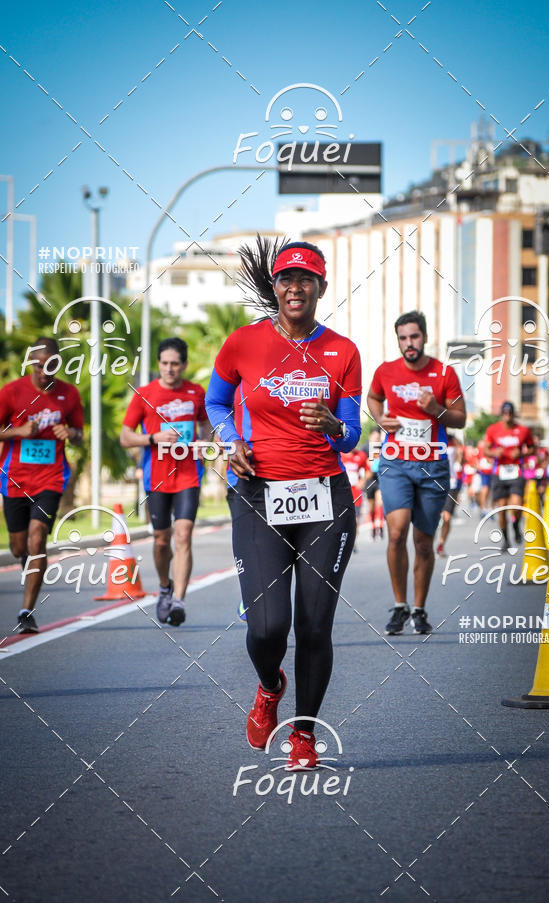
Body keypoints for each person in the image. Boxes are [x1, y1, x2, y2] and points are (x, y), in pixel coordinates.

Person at [205, 237, 361, 770]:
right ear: (275, 288)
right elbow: (216, 401)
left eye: (306, 279)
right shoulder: (242, 344)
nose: (296, 287)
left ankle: (302, 733)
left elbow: (353, 434)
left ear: (321, 287)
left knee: (314, 626)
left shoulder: (343, 351)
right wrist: (230, 439)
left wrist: (337, 427)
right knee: (267, 628)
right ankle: (270, 688)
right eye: (286, 279)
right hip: (257, 495)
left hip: (325, 496)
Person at [367, 311, 466, 636]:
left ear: (424, 336)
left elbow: (461, 418)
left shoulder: (443, 372)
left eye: (414, 336)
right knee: (396, 533)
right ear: (398, 340)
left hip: (432, 464)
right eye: (403, 338)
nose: (409, 343)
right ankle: (400, 606)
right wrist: (380, 419)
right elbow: (372, 398)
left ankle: (419, 609)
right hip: (395, 462)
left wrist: (436, 410)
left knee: (423, 542)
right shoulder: (385, 371)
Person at [120, 338, 208, 626]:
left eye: (175, 364)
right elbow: (125, 437)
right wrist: (152, 439)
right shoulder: (144, 394)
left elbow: (206, 424)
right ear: (158, 364)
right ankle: (165, 586)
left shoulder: (196, 392)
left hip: (188, 475)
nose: (169, 369)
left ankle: (179, 601)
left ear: (183, 365)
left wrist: (205, 441)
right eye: (165, 363)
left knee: (183, 535)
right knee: (161, 541)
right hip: (156, 477)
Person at [0, 337, 84, 633]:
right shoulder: (11, 392)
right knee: (19, 545)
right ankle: (28, 563)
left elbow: (79, 434)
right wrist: (18, 431)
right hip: (14, 479)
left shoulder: (69, 394)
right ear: (31, 363)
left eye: (52, 365)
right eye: (40, 365)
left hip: (51, 477)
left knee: (38, 538)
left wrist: (70, 432)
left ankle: (26, 611)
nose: (45, 371)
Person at [482, 401, 534, 551]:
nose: (507, 416)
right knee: (502, 508)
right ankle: (506, 540)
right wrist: (493, 453)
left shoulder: (523, 430)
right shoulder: (493, 429)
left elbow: (532, 448)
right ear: (501, 414)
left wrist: (522, 453)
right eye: (504, 413)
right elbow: (486, 449)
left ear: (513, 414)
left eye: (510, 413)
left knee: (517, 506)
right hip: (499, 472)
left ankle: (516, 525)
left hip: (516, 471)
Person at [436, 435, 464, 557]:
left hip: (451, 483)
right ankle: (426, 545)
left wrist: (460, 457)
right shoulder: (430, 436)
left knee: (447, 517)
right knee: (433, 518)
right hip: (433, 483)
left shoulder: (453, 440)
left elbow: (460, 456)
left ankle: (441, 544)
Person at [340, 446, 368, 551]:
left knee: (354, 520)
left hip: (356, 493)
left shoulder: (361, 455)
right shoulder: (339, 453)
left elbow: (367, 470)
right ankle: (342, 542)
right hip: (342, 493)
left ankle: (352, 542)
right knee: (342, 520)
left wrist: (363, 481)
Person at [363, 427, 384, 539]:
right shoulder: (365, 448)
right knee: (371, 507)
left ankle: (380, 526)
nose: (376, 439)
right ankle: (372, 527)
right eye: (374, 437)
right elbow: (361, 463)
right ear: (371, 436)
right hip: (369, 480)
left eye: (378, 437)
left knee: (380, 502)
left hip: (380, 479)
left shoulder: (383, 447)